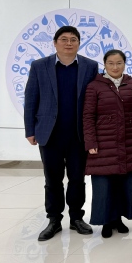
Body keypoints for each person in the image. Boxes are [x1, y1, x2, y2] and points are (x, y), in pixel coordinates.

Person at [24, 25, 99, 241]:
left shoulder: (90, 66)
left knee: (77, 178)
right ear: (55, 43)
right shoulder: (39, 66)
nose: (69, 43)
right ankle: (54, 220)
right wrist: (30, 129)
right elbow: (31, 98)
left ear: (79, 43)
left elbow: (95, 100)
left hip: (78, 134)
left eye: (73, 39)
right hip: (50, 134)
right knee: (52, 179)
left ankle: (76, 218)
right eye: (64, 39)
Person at [82, 50, 132, 238]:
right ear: (104, 64)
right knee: (103, 186)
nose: (115, 67)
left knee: (123, 184)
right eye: (111, 63)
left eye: (119, 63)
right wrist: (90, 141)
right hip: (103, 143)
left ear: (125, 64)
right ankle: (106, 222)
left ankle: (118, 219)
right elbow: (88, 116)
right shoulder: (94, 86)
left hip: (128, 141)